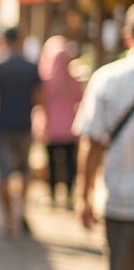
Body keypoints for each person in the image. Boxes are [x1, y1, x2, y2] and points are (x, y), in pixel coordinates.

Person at [72, 4, 134, 270]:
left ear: (125, 35)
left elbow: (92, 143)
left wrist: (83, 196)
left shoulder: (108, 79)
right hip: (120, 199)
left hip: (121, 199)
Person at [0, 26, 43, 238]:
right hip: (24, 125)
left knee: (4, 174)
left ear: (3, 39)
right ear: (21, 39)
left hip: (1, 126)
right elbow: (40, 99)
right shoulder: (31, 66)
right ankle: (22, 209)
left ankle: (8, 220)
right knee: (24, 171)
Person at [36, 35, 84, 209]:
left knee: (51, 163)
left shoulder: (44, 78)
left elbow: (40, 102)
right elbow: (80, 99)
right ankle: (69, 196)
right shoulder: (74, 78)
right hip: (70, 128)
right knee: (70, 162)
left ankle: (53, 195)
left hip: (50, 128)